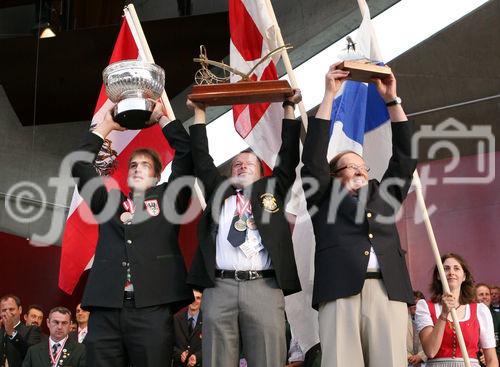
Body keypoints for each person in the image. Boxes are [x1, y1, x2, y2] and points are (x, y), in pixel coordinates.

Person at [301, 64, 416, 367]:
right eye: (348, 167)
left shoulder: (384, 195)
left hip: (386, 290)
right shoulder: (324, 197)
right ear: (334, 176)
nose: (358, 170)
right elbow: (312, 160)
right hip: (339, 292)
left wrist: (392, 99)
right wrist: (328, 95)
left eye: (362, 167)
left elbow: (405, 157)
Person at [71, 101, 195, 367]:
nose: (137, 168)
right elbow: (80, 167)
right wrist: (105, 126)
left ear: (157, 176)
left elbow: (187, 154)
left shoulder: (168, 199)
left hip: (150, 308)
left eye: (145, 165)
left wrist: (162, 119)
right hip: (107, 307)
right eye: (133, 165)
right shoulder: (110, 201)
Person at [186, 90, 303, 367]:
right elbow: (202, 158)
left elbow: (287, 158)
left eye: (249, 164)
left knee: (268, 358)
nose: (241, 166)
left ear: (262, 173)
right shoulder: (219, 191)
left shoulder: (272, 190)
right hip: (219, 287)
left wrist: (289, 109)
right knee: (217, 360)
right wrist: (199, 113)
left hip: (264, 285)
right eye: (236, 164)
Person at [415, 253, 498, 367]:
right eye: (446, 268)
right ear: (439, 275)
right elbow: (430, 351)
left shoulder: (480, 310)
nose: (451, 272)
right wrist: (444, 314)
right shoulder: (425, 306)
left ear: (464, 276)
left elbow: (491, 359)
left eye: (456, 268)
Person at [1, 295, 41, 367]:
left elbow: (32, 355)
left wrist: (12, 333)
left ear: (20, 310)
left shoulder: (32, 330)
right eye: (4, 310)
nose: (8, 313)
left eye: (11, 309)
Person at [172, 290, 203, 367]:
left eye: (198, 298)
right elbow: (168, 345)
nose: (194, 301)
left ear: (202, 301)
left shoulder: (207, 320)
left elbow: (210, 346)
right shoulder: (176, 318)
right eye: (192, 297)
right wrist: (179, 354)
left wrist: (197, 357)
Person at [408, 291, 427, 367]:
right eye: (413, 303)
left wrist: (420, 357)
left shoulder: (432, 321)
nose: (415, 305)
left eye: (418, 303)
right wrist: (409, 357)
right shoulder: (401, 322)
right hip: (407, 362)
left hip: (425, 363)